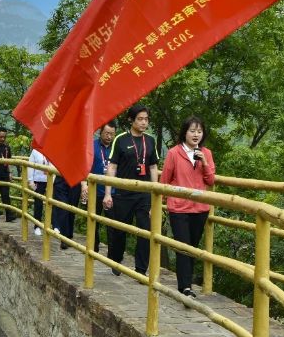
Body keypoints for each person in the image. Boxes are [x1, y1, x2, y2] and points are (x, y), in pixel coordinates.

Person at [160, 116, 216, 296]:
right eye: (192, 131)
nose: (196, 135)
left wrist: (205, 163)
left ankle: (185, 284)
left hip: (200, 209)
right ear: (184, 132)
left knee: (192, 247)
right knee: (183, 246)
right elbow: (165, 180)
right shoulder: (174, 153)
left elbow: (211, 180)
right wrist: (158, 203)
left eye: (199, 131)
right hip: (178, 208)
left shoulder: (206, 153)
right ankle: (186, 287)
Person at [102, 106, 159, 275]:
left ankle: (141, 269)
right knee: (119, 229)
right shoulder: (121, 140)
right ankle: (116, 260)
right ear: (131, 120)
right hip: (123, 193)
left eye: (146, 119)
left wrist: (155, 193)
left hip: (144, 194)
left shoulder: (150, 140)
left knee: (145, 230)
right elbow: (112, 167)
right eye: (140, 119)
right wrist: (107, 193)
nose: (143, 122)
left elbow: (154, 167)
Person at [88, 122, 116, 254]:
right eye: (107, 133)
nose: (109, 136)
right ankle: (94, 249)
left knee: (112, 225)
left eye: (112, 134)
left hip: (113, 192)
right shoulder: (92, 146)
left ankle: (112, 254)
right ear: (100, 132)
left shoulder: (117, 148)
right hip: (95, 191)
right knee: (94, 222)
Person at [26, 145, 49, 235]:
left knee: (51, 203)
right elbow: (30, 166)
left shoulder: (52, 150)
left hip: (50, 180)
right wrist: (31, 181)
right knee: (38, 203)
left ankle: (52, 226)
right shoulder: (35, 151)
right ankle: (37, 225)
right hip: (38, 181)